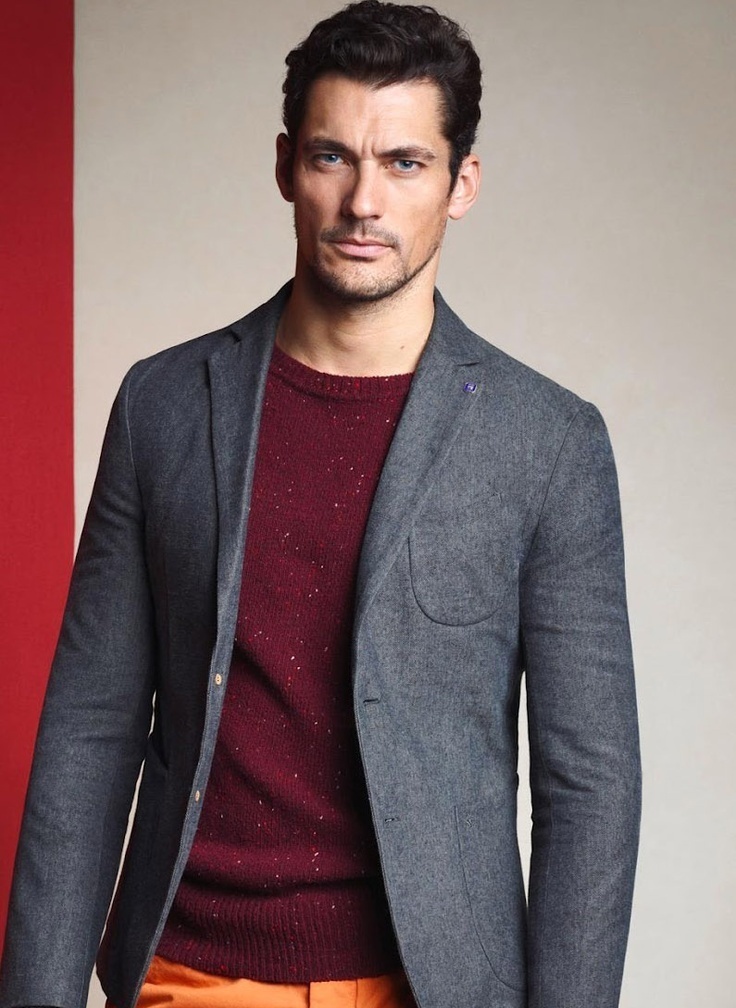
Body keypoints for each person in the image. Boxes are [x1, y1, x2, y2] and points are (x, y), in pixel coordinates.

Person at [0, 3, 641, 1007]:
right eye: (333, 156)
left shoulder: (547, 441)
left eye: (405, 163)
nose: (363, 202)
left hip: (432, 986)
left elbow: (590, 786)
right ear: (285, 166)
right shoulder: (164, 407)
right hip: (191, 976)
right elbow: (90, 730)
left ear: (461, 184)